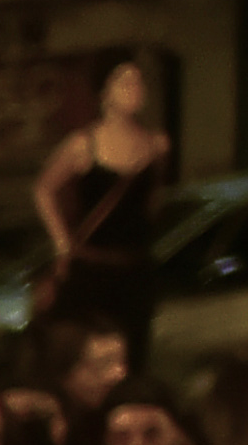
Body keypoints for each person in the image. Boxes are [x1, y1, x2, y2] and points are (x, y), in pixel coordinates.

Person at [29, 57, 172, 354]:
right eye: (125, 82)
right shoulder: (83, 144)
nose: (135, 90)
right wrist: (61, 242)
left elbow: (153, 199)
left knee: (132, 353)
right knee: (88, 353)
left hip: (133, 270)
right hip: (92, 270)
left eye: (139, 82)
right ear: (105, 91)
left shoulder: (156, 144)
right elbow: (43, 189)